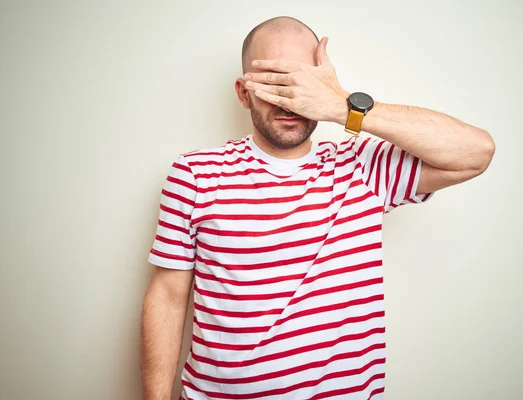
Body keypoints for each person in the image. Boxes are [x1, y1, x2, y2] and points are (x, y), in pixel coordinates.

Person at [141, 15, 495, 400]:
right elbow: (167, 297)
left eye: (300, 83)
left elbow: (476, 152)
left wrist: (344, 107)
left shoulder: (363, 168)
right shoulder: (195, 174)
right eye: (273, 82)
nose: (287, 100)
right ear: (243, 93)